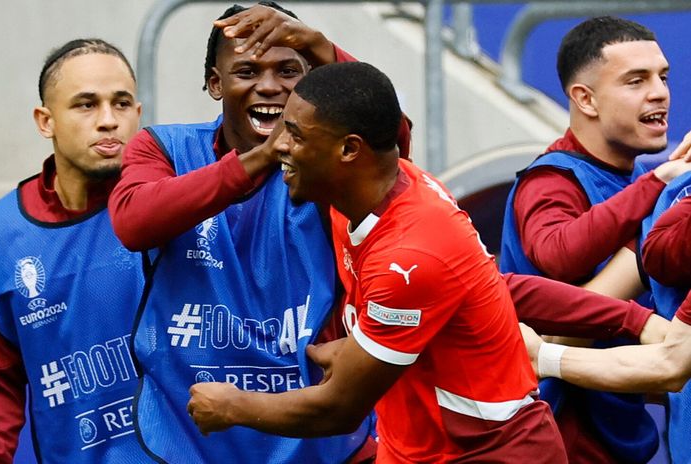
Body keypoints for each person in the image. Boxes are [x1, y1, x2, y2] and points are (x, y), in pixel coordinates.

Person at [187, 61, 568, 463]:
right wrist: (360, 346)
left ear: (349, 149)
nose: (279, 146)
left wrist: (233, 406)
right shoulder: (359, 192)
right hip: (415, 450)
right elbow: (378, 111)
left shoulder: (410, 255)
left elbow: (338, 410)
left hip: (490, 454)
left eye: (296, 135)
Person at [108, 3, 414, 462]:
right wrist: (264, 156)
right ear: (215, 83)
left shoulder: (327, 164)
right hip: (190, 441)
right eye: (247, 71)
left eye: (289, 71)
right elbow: (134, 222)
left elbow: (392, 139)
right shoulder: (164, 148)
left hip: (315, 445)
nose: (269, 86)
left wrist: (319, 45)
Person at [499, 16, 691, 463]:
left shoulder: (644, 180)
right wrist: (657, 190)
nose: (659, 93)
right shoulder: (550, 181)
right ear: (585, 99)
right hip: (557, 434)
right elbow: (558, 254)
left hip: (619, 428)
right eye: (636, 81)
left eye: (663, 77)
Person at [0, 39, 145, 462]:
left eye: (121, 104)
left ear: (138, 114)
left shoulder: (172, 206)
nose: (108, 121)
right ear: (46, 121)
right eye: (86, 105)